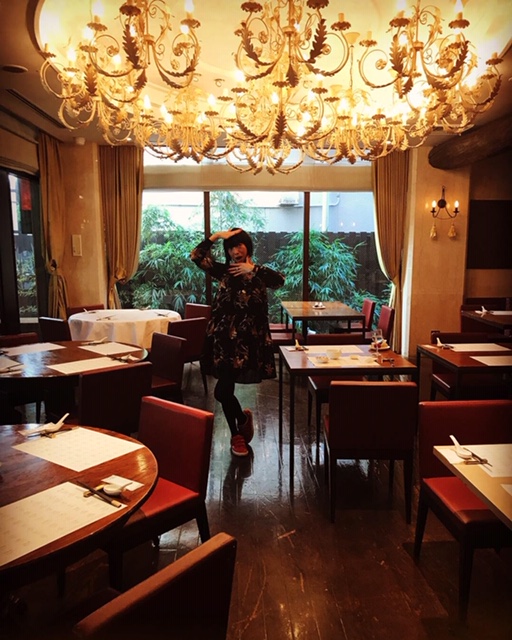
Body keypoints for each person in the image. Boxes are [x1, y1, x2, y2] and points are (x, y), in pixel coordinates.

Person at [191, 228, 285, 457]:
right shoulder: (224, 271)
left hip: (246, 343)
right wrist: (216, 236)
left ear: (247, 246)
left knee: (223, 391)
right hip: (222, 340)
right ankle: (237, 433)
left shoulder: (260, 273)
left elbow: (280, 280)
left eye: (239, 245)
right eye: (231, 247)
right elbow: (196, 256)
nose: (235, 251)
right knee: (223, 390)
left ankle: (241, 423)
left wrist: (253, 269)